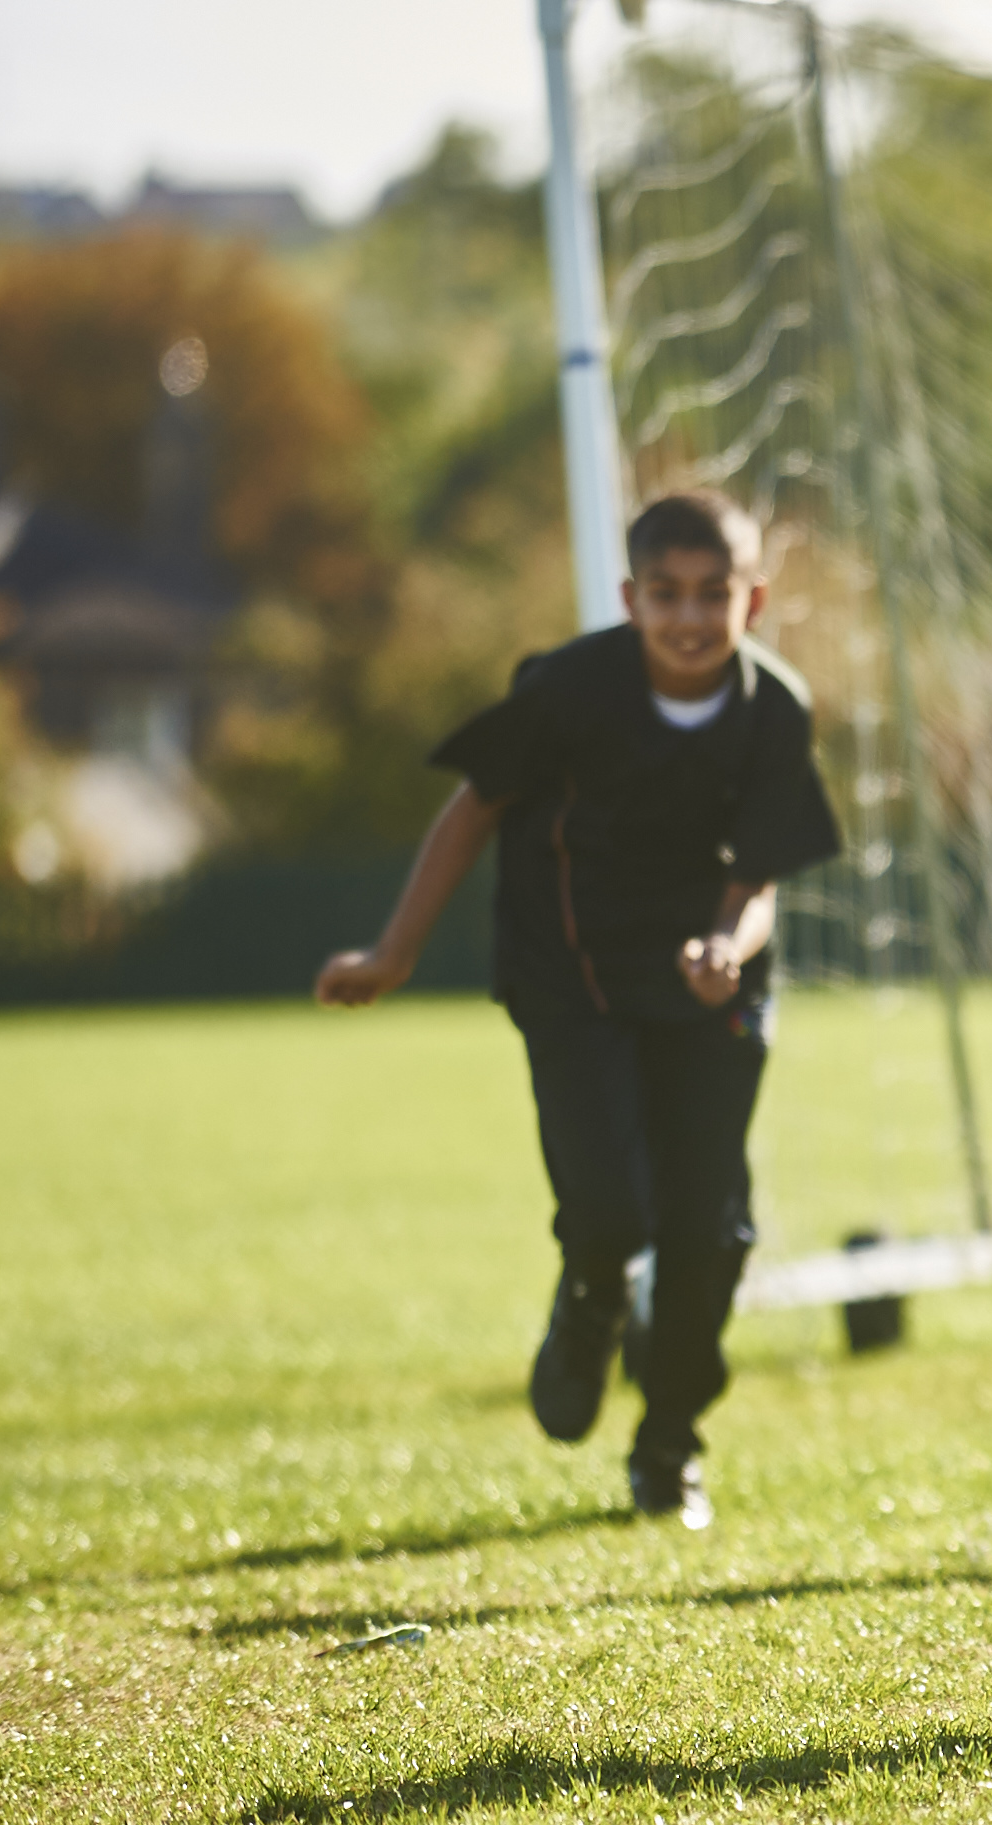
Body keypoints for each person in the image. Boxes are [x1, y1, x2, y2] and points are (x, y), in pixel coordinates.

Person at [317, 492, 843, 1527]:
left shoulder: (775, 709)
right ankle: (591, 1299)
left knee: (711, 1228)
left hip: (707, 989)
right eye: (666, 595)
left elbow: (760, 880)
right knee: (611, 1210)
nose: (690, 618)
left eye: (713, 595)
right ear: (628, 598)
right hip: (573, 982)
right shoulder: (569, 690)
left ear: (756, 599)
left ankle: (669, 1448)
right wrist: (393, 950)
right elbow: (474, 809)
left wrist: (724, 950)